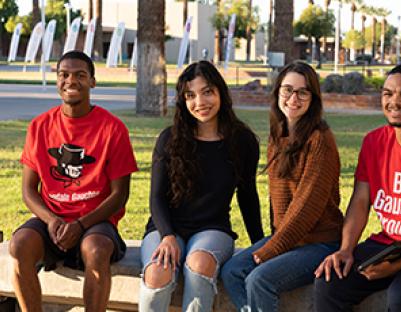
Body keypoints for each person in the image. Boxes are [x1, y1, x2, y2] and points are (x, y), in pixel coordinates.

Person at [9, 50, 138, 312]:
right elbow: (28, 190)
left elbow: (119, 195)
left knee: (97, 249)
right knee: (19, 245)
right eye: (64, 75)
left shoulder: (113, 128)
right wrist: (53, 220)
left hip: (95, 222)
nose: (71, 81)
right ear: (57, 80)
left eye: (80, 75)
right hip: (52, 220)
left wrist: (80, 225)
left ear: (92, 81)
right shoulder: (39, 126)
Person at [314, 63, 401, 312]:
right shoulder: (374, 142)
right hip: (391, 245)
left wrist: (395, 267)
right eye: (388, 93)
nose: (394, 101)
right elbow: (360, 202)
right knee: (330, 282)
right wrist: (345, 249)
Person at [139, 60, 264, 312]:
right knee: (158, 272)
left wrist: (260, 244)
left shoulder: (243, 140)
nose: (200, 102)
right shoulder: (169, 139)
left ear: (220, 92)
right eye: (190, 95)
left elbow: (248, 196)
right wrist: (167, 236)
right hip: (166, 227)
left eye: (207, 92)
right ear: (183, 101)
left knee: (199, 264)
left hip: (213, 228)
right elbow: (156, 198)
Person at [221, 61, 343, 312]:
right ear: (277, 92)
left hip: (320, 243)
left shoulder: (320, 140)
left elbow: (306, 206)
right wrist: (273, 242)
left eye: (302, 92)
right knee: (232, 271)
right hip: (287, 238)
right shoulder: (279, 135)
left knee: (259, 279)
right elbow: (278, 201)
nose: (293, 98)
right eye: (287, 90)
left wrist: (273, 249)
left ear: (313, 98)